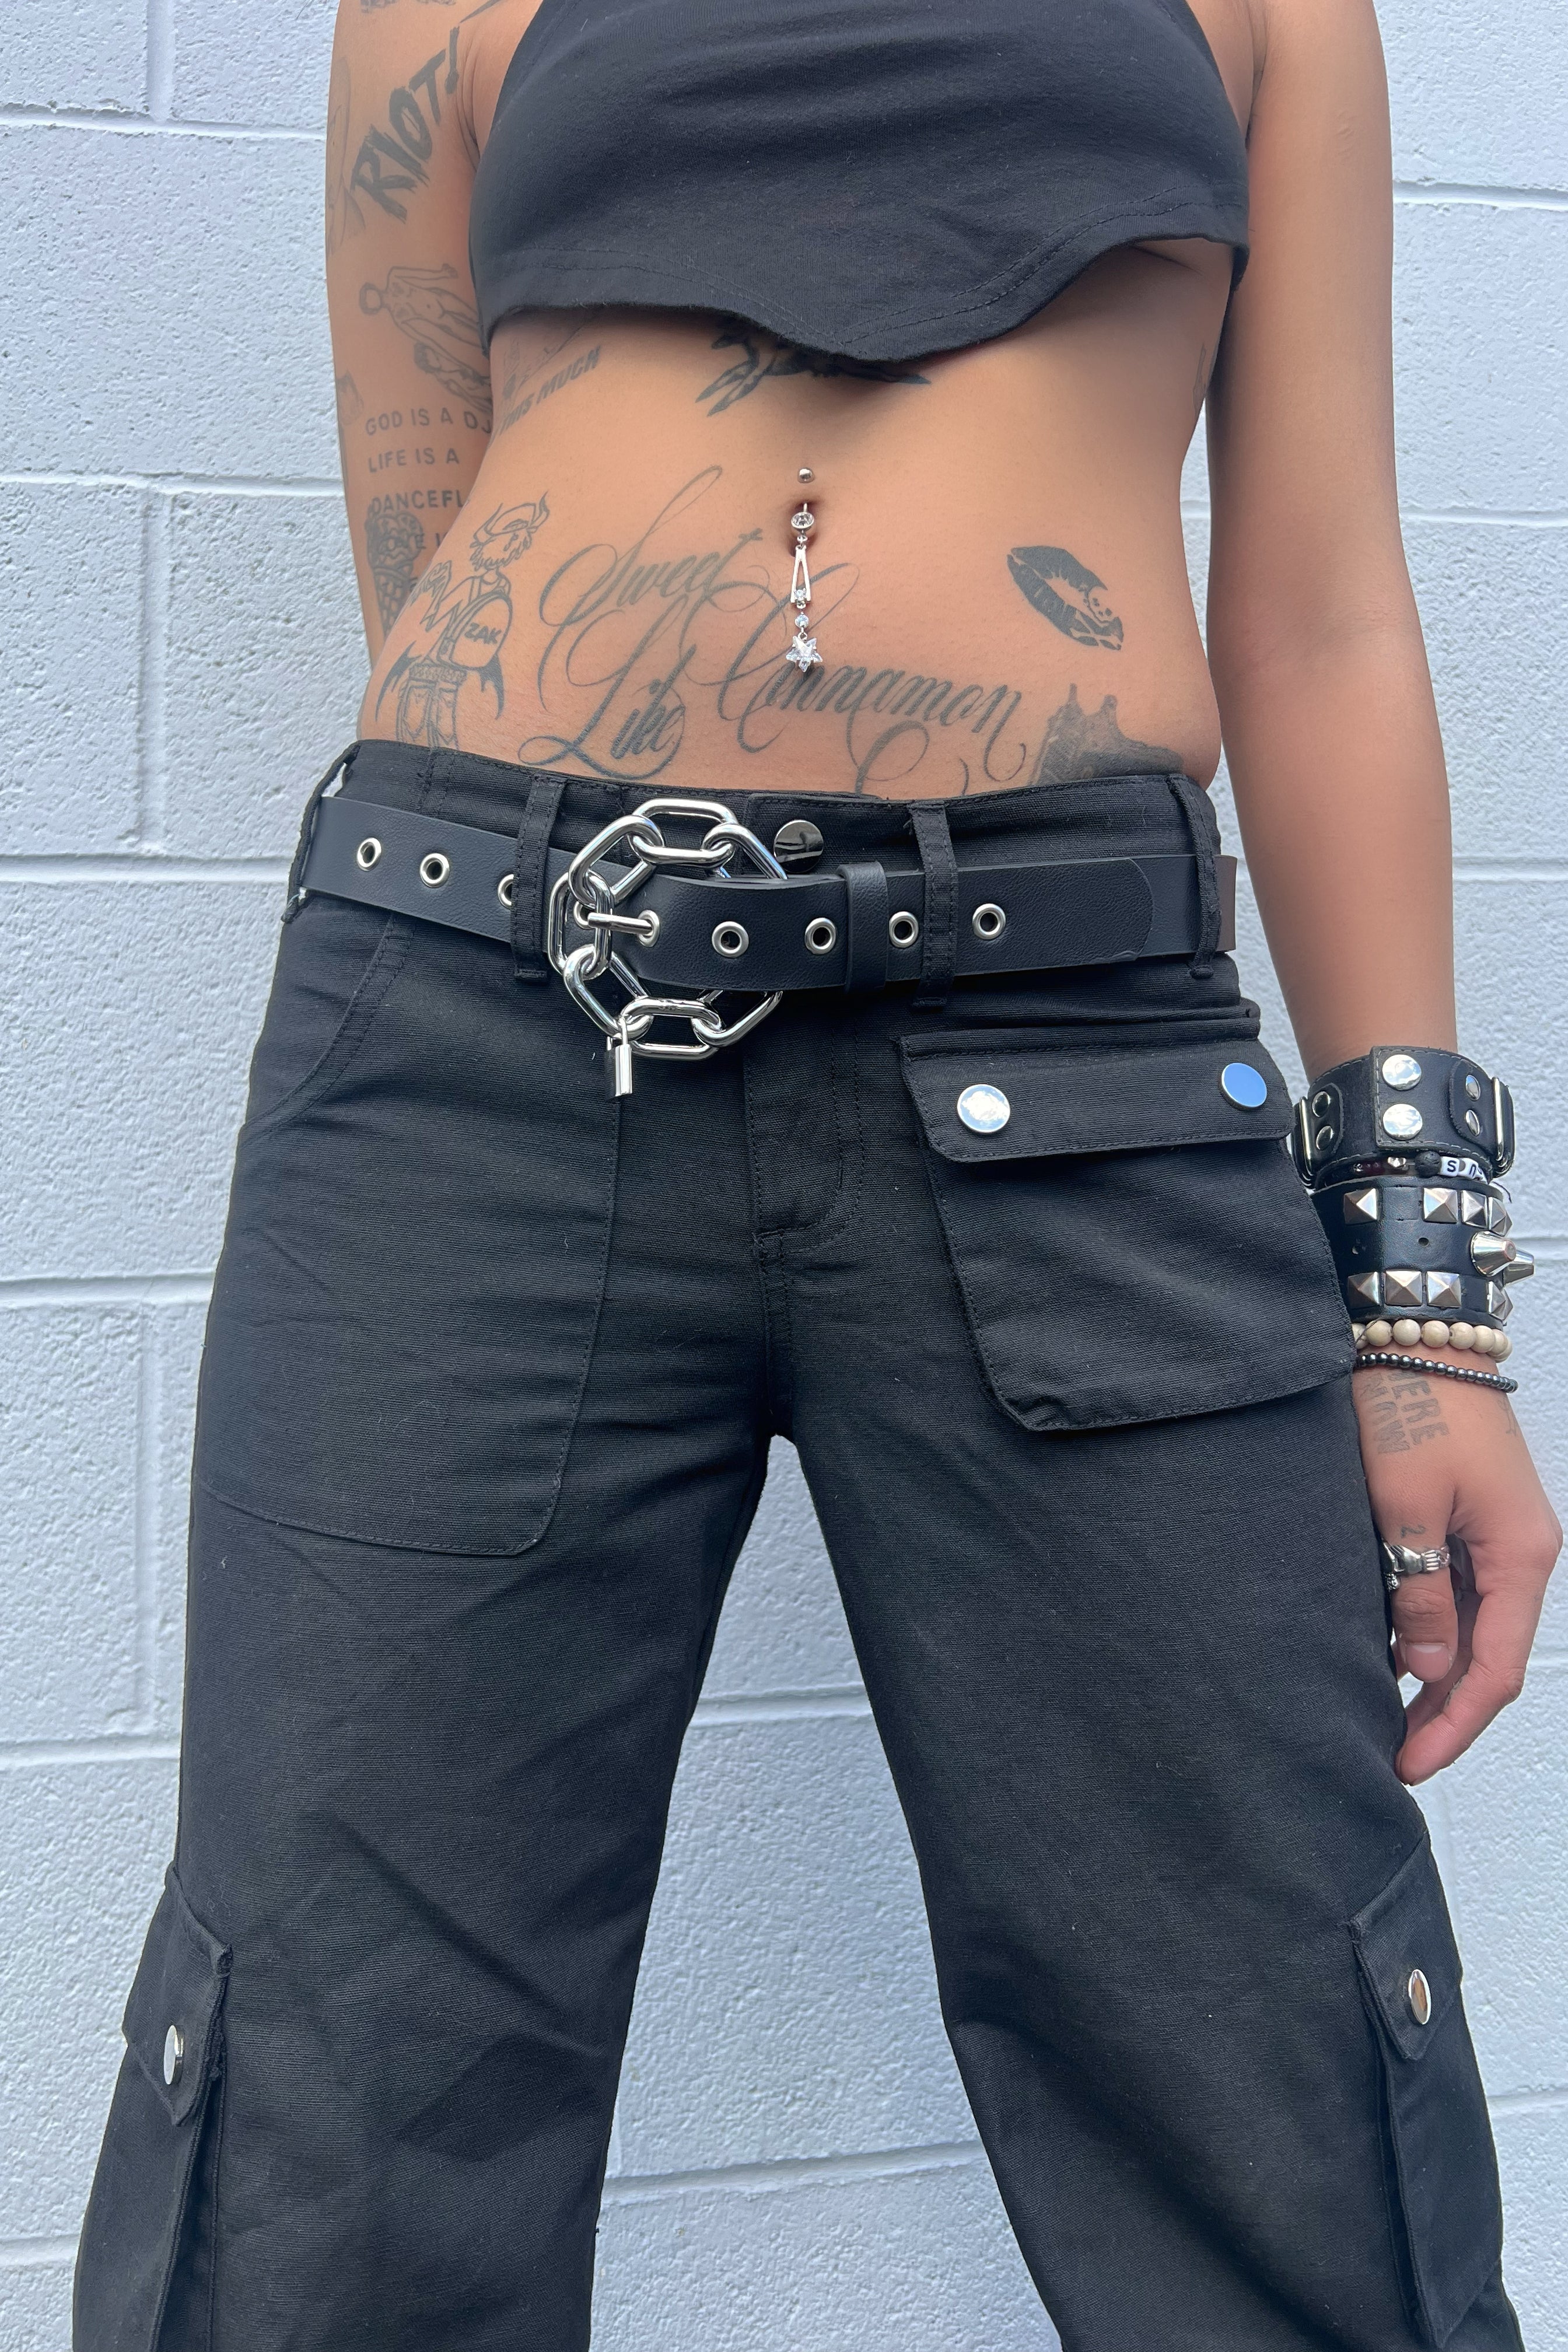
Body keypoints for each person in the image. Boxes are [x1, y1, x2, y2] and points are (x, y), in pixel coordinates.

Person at [74, 0, 1560, 2345]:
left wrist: (1424, 1306)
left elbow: (1320, 614)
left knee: (1275, 2063)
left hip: (1078, 1073)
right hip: (482, 1056)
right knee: (335, 2100)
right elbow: (432, 542)